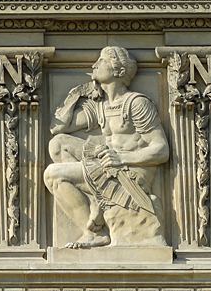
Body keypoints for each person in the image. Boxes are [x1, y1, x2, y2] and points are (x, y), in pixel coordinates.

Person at [44, 46, 169, 248]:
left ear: (118, 70)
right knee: (58, 144)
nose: (94, 65)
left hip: (131, 171)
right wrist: (77, 94)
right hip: (107, 167)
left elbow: (161, 149)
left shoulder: (135, 103)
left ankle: (92, 232)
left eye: (101, 61)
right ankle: (96, 203)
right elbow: (57, 128)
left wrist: (122, 158)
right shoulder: (101, 105)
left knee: (52, 174)